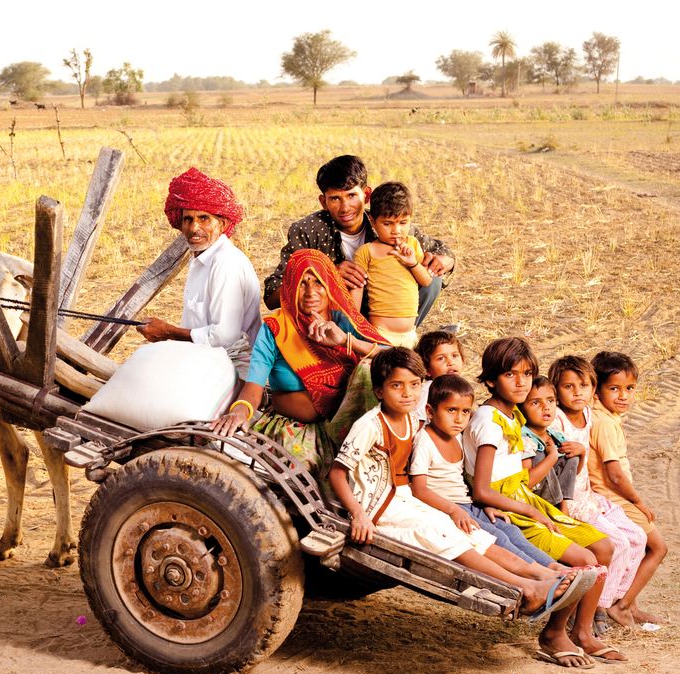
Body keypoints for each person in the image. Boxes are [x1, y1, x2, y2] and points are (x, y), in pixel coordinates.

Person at [328, 348, 596, 653]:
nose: (407, 394)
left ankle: (540, 573)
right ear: (379, 390)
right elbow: (338, 472)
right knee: (439, 534)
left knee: (470, 531)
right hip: (378, 505)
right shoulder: (370, 425)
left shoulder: (411, 423)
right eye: (396, 386)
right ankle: (526, 587)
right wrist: (358, 514)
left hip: (403, 499)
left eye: (415, 385)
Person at [463, 336, 624, 665]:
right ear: (491, 380)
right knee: (584, 561)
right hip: (510, 508)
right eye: (511, 375)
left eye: (527, 373)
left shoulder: (511, 417)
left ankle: (583, 632)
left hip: (524, 500)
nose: (521, 382)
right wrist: (529, 511)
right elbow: (482, 489)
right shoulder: (488, 422)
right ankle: (553, 633)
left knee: (604, 548)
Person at [210, 249, 386, 474]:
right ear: (291, 286)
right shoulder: (275, 329)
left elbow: (397, 359)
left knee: (368, 367)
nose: (311, 292)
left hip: (352, 430)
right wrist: (239, 411)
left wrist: (344, 341)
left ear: (329, 284)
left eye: (318, 282)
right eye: (303, 283)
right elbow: (253, 384)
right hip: (298, 432)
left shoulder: (343, 320)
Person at [262, 155, 455, 320]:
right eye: (335, 198)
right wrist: (327, 276)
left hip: (384, 316)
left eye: (352, 195)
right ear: (324, 202)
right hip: (333, 322)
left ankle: (394, 345)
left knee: (433, 278)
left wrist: (445, 261)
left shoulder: (386, 224)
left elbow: (443, 251)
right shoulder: (307, 230)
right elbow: (272, 295)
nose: (345, 207)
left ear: (366, 194)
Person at [410, 373, 564, 571]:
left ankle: (552, 566)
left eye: (465, 412)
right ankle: (541, 573)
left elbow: (463, 480)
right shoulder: (425, 441)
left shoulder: (457, 437)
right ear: (430, 412)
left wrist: (483, 506)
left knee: (509, 530)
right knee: (496, 537)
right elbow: (419, 490)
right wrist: (453, 510)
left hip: (467, 504)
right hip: (446, 507)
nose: (459, 418)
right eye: (451, 410)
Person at [549, 355, 647, 631]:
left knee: (636, 538)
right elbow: (560, 468)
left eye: (584, 385)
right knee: (617, 543)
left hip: (588, 497)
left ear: (593, 389)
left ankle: (608, 601)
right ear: (557, 390)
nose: (578, 392)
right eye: (569, 387)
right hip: (571, 502)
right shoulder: (557, 420)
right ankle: (597, 609)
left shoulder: (589, 415)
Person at [137, 167, 261, 379]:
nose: (194, 228)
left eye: (204, 218)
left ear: (222, 223)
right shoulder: (201, 259)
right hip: (204, 361)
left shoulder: (226, 262)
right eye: (188, 220)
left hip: (232, 372)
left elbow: (225, 337)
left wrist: (168, 332)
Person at [588, 351, 668, 627]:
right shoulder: (602, 423)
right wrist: (639, 503)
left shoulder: (606, 418)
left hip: (614, 497)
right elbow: (615, 476)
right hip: (614, 498)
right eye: (614, 389)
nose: (623, 396)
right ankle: (621, 606)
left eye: (629, 389)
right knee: (657, 548)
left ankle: (631, 604)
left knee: (645, 547)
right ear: (597, 390)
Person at [351, 182, 435, 348]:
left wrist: (413, 263)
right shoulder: (367, 251)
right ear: (373, 222)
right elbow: (357, 288)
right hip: (381, 333)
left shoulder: (412, 244)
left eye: (403, 223)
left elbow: (426, 281)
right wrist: (355, 324)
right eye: (387, 224)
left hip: (410, 334)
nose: (396, 230)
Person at [519, 376, 578, 509]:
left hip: (558, 498)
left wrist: (582, 453)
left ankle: (562, 507)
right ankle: (551, 509)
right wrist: (552, 456)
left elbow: (571, 472)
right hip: (535, 500)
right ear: (522, 408)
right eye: (535, 403)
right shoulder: (525, 438)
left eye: (550, 401)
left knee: (570, 454)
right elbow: (526, 483)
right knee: (540, 456)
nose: (546, 407)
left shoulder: (554, 433)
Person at [413, 329, 464, 424]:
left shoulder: (461, 387)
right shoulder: (429, 391)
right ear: (427, 369)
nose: (450, 363)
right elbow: (418, 424)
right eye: (441, 358)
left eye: (455, 356)